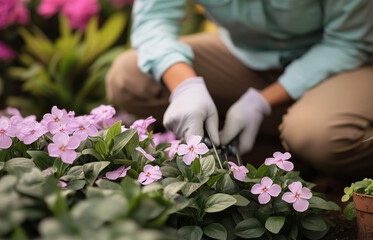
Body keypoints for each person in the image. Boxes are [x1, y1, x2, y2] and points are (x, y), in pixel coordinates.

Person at [106, 0, 373, 179]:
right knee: (129, 78)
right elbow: (153, 20)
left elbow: (348, 43)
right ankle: (288, 153)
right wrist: (186, 86)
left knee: (317, 135)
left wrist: (261, 102)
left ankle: (307, 142)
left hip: (349, 62)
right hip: (251, 57)